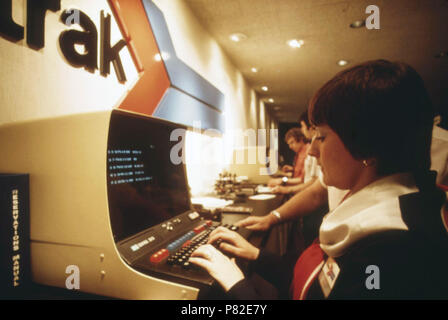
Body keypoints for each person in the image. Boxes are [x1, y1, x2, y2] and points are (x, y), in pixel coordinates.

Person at [189, 60, 448, 299]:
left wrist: (237, 286)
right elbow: (324, 280)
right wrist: (257, 256)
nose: (312, 150)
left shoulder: (395, 251)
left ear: (365, 145)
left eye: (321, 137)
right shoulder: (375, 199)